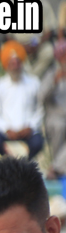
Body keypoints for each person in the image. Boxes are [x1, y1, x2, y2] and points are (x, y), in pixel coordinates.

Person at [0, 41, 44, 159]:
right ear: (6, 65)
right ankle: (8, 164)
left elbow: (41, 109)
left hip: (28, 130)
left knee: (37, 143)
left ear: (22, 63)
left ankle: (26, 165)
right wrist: (6, 129)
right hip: (7, 131)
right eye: (12, 63)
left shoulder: (34, 82)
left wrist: (31, 126)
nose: (15, 66)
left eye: (18, 62)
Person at [40, 42, 66, 177]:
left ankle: (55, 168)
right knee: (59, 126)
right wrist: (54, 82)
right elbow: (41, 98)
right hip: (55, 116)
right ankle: (58, 168)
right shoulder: (51, 74)